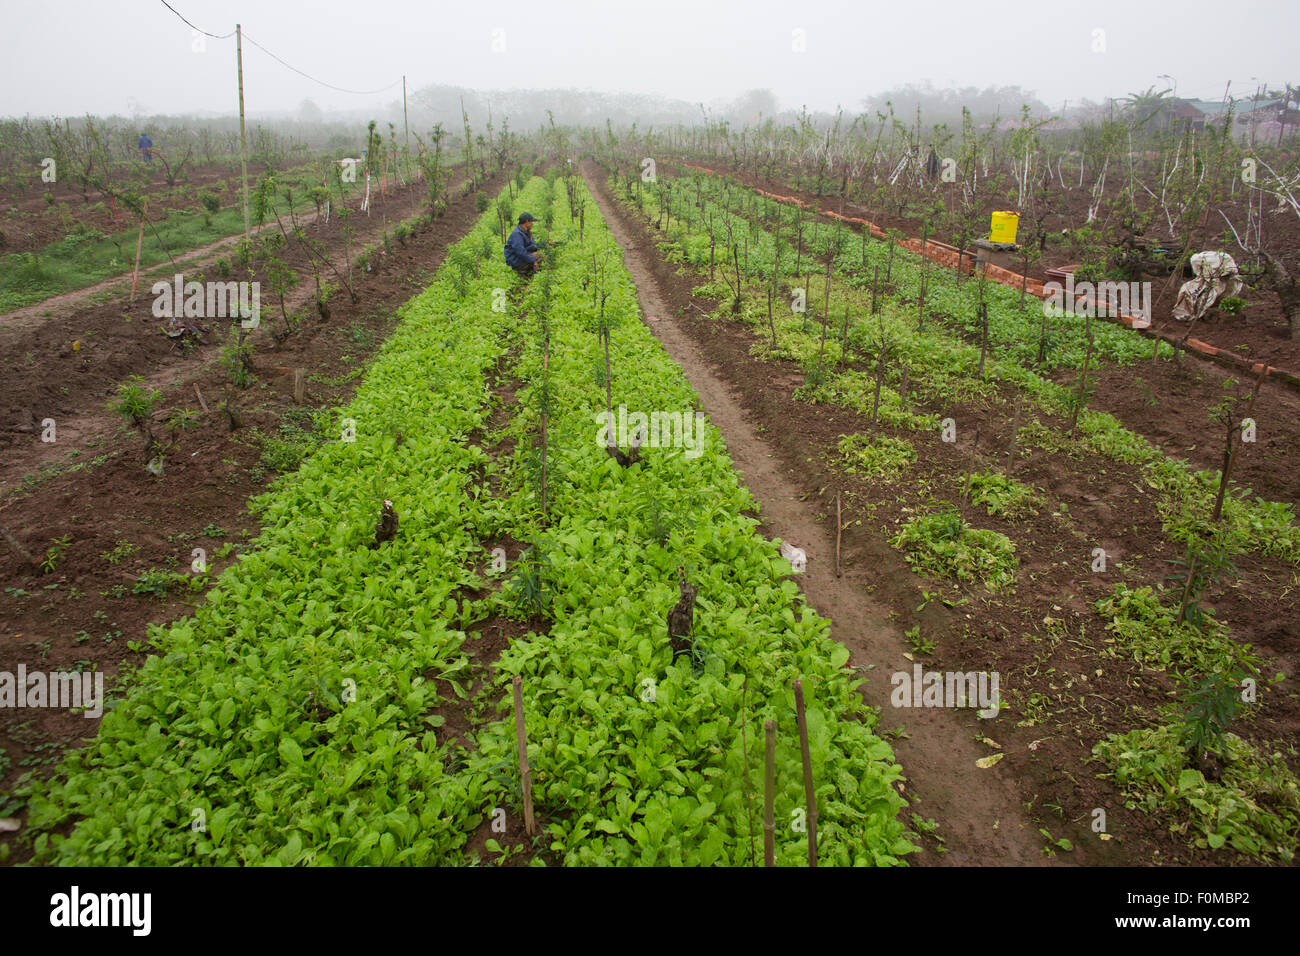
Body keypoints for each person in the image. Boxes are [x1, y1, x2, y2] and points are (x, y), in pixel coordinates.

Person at [505, 212, 542, 277]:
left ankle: (529, 271)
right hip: (515, 260)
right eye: (531, 222)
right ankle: (522, 272)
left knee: (540, 254)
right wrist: (533, 261)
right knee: (539, 256)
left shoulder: (527, 231)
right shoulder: (517, 234)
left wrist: (544, 244)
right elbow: (520, 252)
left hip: (521, 256)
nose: (532, 224)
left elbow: (532, 246)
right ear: (527, 221)